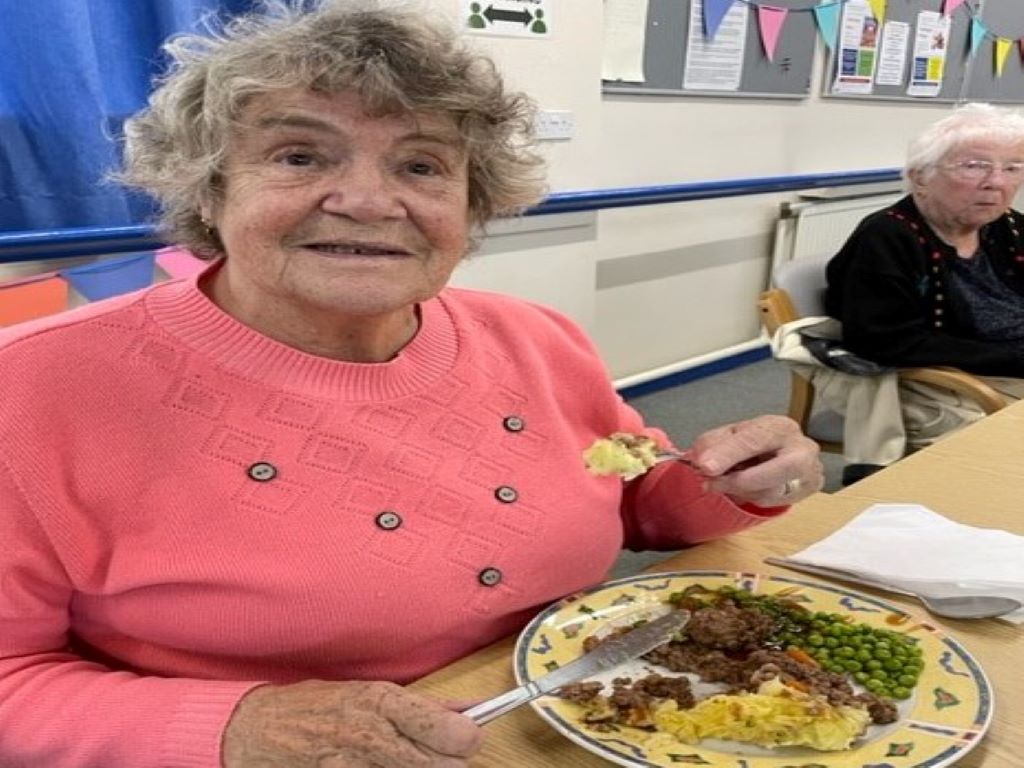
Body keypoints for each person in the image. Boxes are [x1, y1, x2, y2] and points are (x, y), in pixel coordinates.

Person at [0, 2, 822, 765]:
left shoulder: (535, 337)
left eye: (423, 165)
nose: (367, 200)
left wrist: (736, 481)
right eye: (298, 155)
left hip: (583, 725)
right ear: (209, 189)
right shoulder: (32, 389)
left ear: (473, 206)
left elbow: (636, 496)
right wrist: (235, 725)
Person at [821, 102, 1024, 479]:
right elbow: (885, 341)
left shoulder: (1006, 226)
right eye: (975, 166)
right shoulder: (887, 237)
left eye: (1012, 168)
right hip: (950, 377)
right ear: (920, 177)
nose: (996, 182)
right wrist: (1013, 358)